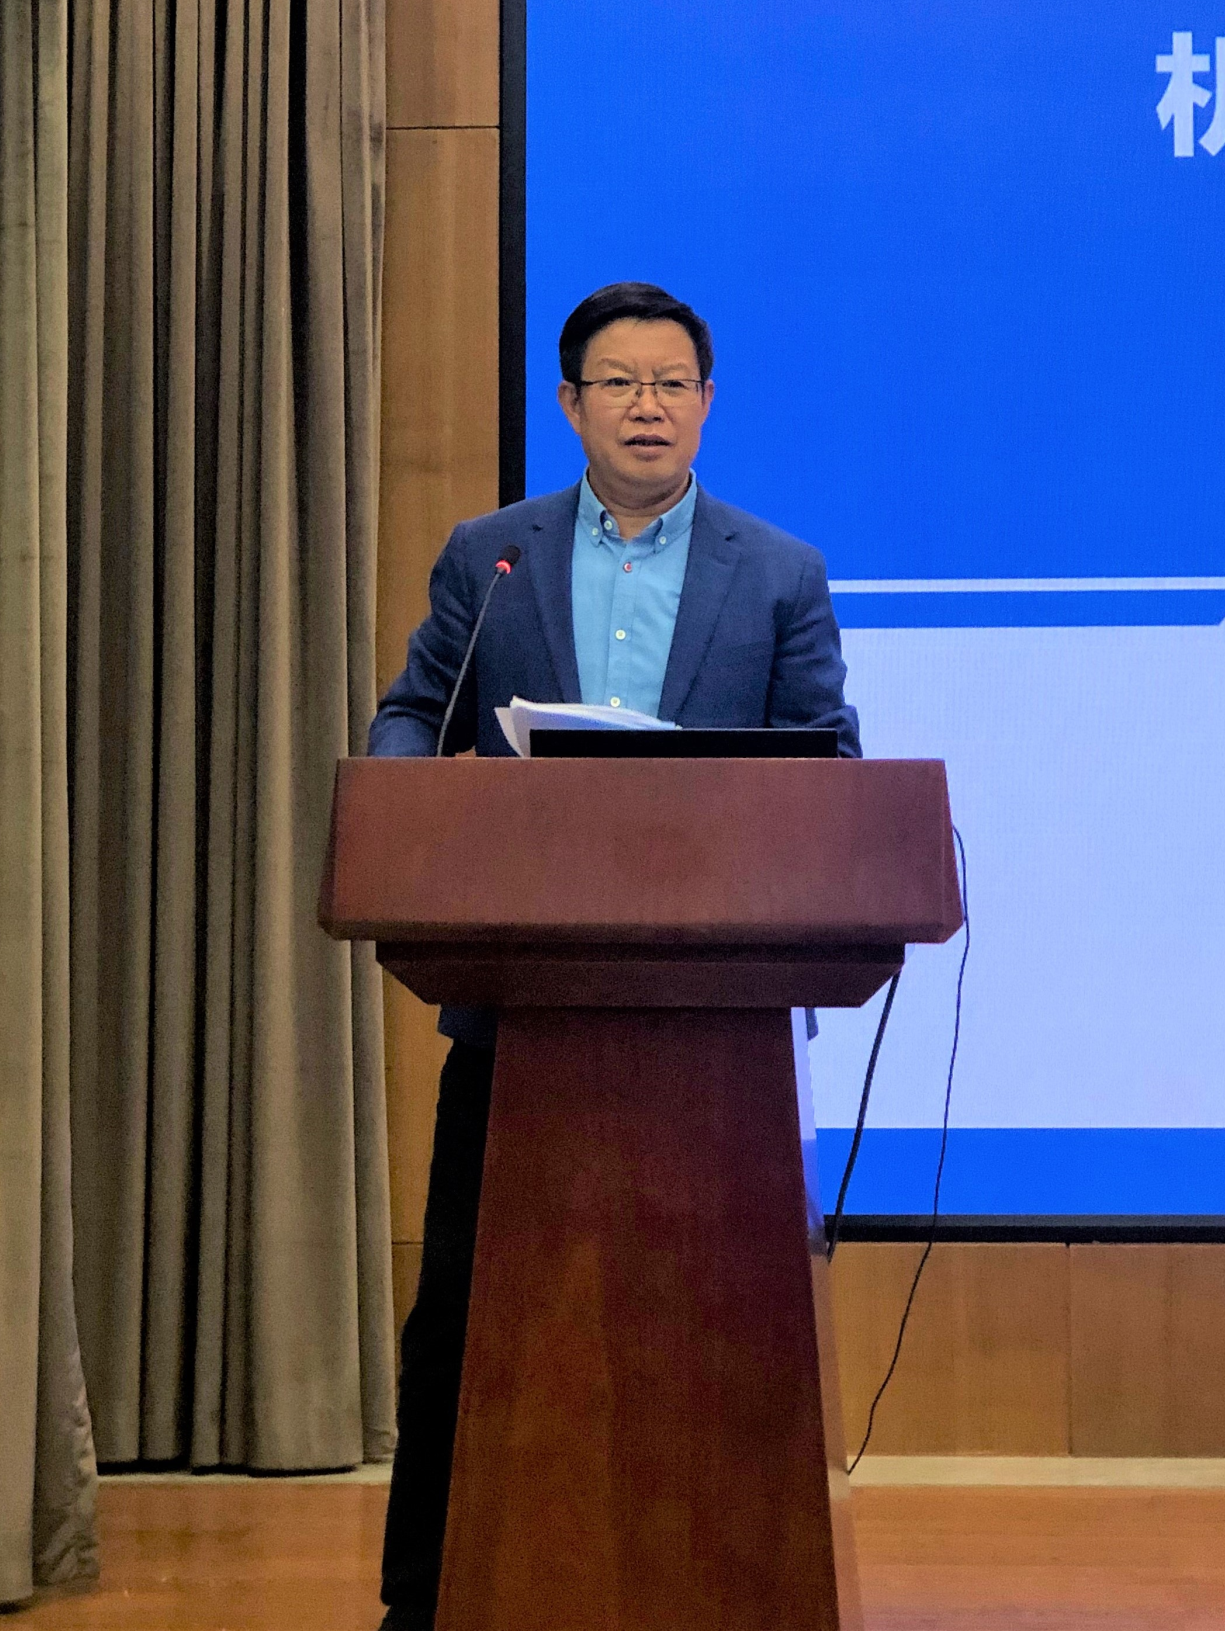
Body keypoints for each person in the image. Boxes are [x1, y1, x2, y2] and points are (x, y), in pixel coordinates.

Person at [368, 280, 860, 1630]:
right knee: (464, 1319)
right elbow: (417, 710)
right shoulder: (494, 558)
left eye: (672, 384)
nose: (648, 406)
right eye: (620, 384)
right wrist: (416, 792)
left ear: (707, 402)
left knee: (722, 1325)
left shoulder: (779, 572)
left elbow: (828, 760)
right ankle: (425, 1605)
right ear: (572, 404)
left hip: (717, 1026)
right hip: (523, 1011)